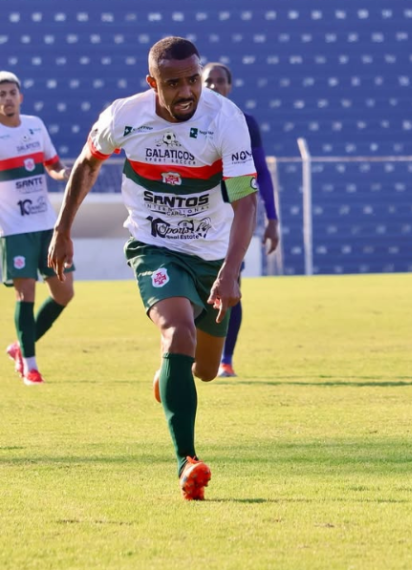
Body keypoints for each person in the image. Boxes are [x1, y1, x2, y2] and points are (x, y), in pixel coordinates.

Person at [47, 37, 258, 500]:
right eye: (173, 83)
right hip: (154, 245)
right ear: (152, 83)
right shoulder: (125, 115)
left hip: (214, 255)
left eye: (193, 81)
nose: (186, 92)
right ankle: (187, 461)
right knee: (178, 333)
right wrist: (62, 229)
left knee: (202, 370)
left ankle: (170, 373)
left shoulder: (225, 118)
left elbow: (245, 203)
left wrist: (230, 270)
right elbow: (87, 164)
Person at [201, 62, 279, 378]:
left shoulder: (245, 123)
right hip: (197, 218)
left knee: (231, 282)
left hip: (233, 219)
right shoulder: (186, 121)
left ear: (230, 86)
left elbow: (260, 172)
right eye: (209, 81)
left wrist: (272, 218)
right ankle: (193, 351)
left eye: (221, 81)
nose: (215, 86)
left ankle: (225, 359)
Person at [0, 71, 73, 386]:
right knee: (25, 295)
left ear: (21, 97)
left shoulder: (35, 125)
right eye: (1, 94)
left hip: (46, 224)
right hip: (13, 228)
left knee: (64, 292)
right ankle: (30, 366)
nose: (7, 99)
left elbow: (52, 163)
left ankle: (20, 347)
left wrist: (61, 173)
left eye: (11, 93)